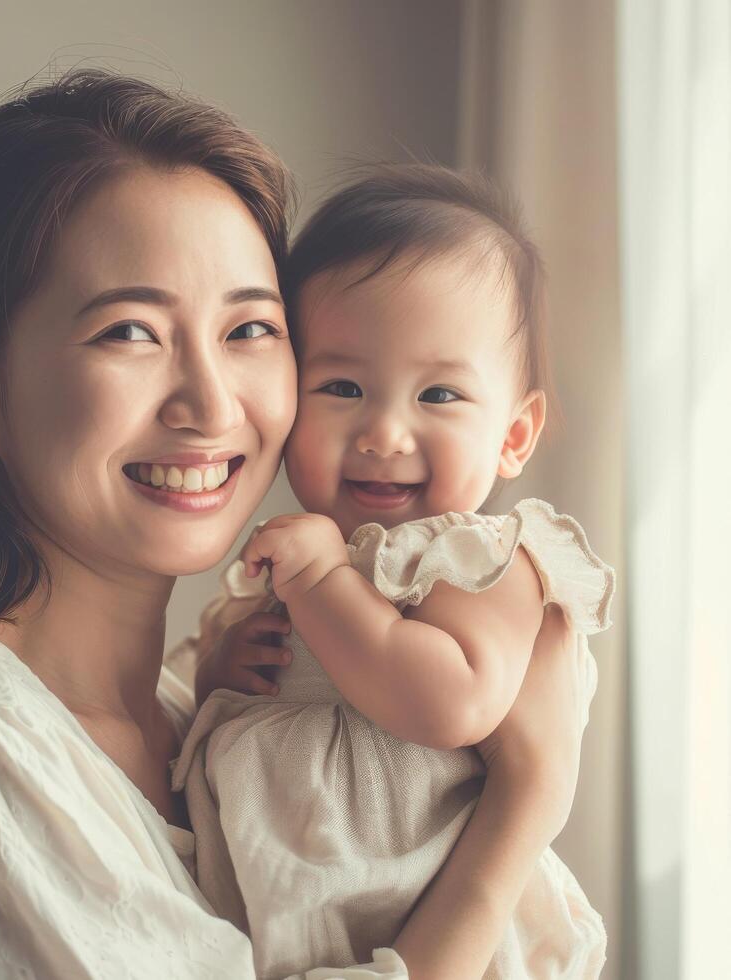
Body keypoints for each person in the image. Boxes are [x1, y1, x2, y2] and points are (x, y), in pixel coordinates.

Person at [0, 71, 587, 979]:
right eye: (130, 332)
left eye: (250, 329)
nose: (211, 406)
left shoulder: (209, 713)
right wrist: (526, 804)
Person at [171, 165, 615, 979]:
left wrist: (320, 587)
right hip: (295, 920)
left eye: (439, 394)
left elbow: (451, 699)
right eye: (342, 386)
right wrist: (222, 674)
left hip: (446, 935)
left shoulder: (483, 558)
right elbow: (249, 713)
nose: (383, 431)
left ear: (514, 436)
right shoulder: (307, 555)